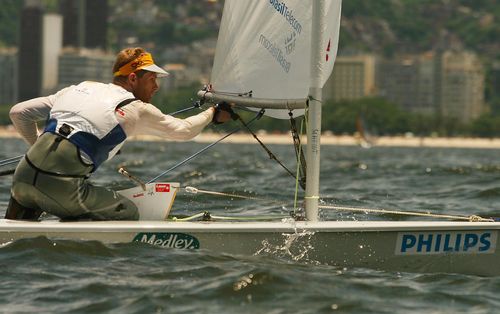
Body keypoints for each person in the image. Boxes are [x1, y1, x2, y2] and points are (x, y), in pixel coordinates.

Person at [5, 47, 231, 221]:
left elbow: (18, 113)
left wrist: (37, 152)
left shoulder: (77, 88)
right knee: (130, 211)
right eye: (152, 79)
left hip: (20, 182)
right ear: (133, 78)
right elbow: (184, 131)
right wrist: (212, 113)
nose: (157, 87)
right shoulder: (136, 108)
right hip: (64, 190)